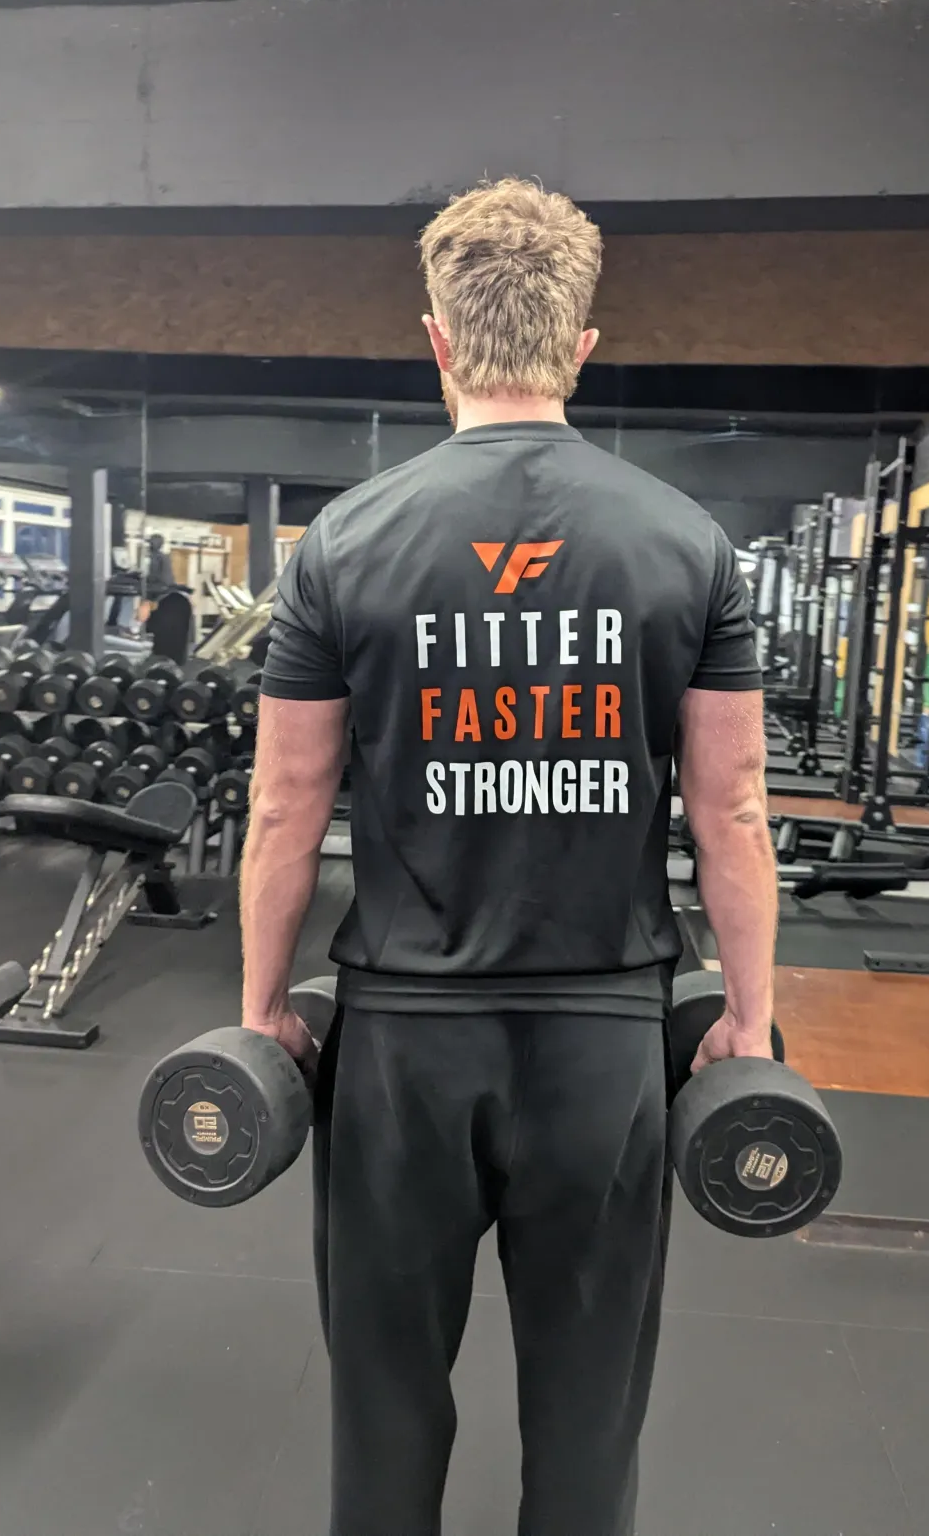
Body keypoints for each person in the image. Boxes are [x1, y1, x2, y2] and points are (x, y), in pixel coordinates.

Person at [240, 179, 778, 1536]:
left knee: (383, 1413)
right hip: (603, 1042)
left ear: (437, 339)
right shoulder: (688, 544)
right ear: (581, 344)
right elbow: (733, 808)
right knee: (589, 1427)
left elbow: (285, 803)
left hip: (402, 1046)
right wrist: (751, 1016)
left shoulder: (344, 543)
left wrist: (260, 1005)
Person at [142, 532, 174, 605]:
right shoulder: (164, 557)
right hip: (162, 589)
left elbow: (153, 575)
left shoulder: (156, 557)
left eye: (151, 542)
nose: (149, 545)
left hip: (156, 589)